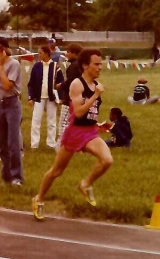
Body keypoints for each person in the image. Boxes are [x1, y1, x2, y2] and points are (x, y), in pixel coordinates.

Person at [32, 49, 113, 220]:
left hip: (90, 132)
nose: (100, 67)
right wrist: (96, 95)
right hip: (75, 132)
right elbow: (78, 113)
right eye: (96, 64)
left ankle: (85, 184)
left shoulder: (95, 84)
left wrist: (99, 124)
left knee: (107, 160)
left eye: (101, 63)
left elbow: (91, 113)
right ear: (85, 65)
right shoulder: (78, 84)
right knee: (56, 171)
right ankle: (39, 199)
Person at [0, 36, 24, 186]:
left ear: (4, 50)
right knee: (2, 141)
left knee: (13, 142)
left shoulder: (14, 64)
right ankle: (6, 175)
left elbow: (7, 86)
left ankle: (16, 176)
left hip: (11, 103)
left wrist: (0, 67)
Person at [28, 45, 64, 149]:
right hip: (39, 97)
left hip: (51, 98)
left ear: (47, 53)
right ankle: (34, 144)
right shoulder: (36, 66)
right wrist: (31, 97)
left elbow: (61, 82)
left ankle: (51, 143)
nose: (39, 55)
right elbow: (31, 83)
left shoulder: (55, 66)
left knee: (51, 121)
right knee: (36, 120)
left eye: (40, 53)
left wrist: (60, 97)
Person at [55, 43, 82, 151]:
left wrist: (60, 85)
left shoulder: (73, 66)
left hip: (70, 100)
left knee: (63, 124)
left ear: (75, 54)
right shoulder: (81, 66)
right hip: (79, 100)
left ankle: (61, 147)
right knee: (76, 124)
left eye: (69, 52)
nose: (66, 54)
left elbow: (71, 82)